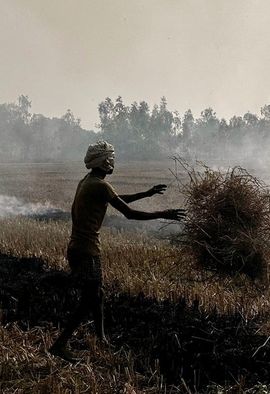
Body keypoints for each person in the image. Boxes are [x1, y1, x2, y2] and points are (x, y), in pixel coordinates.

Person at [49, 140, 185, 361]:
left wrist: (147, 193)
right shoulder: (100, 185)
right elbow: (129, 213)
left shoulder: (89, 181)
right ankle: (60, 344)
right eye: (111, 158)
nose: (114, 162)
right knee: (88, 300)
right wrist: (163, 213)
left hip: (81, 249)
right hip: (86, 251)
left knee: (98, 295)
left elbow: (116, 200)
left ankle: (101, 338)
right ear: (105, 161)